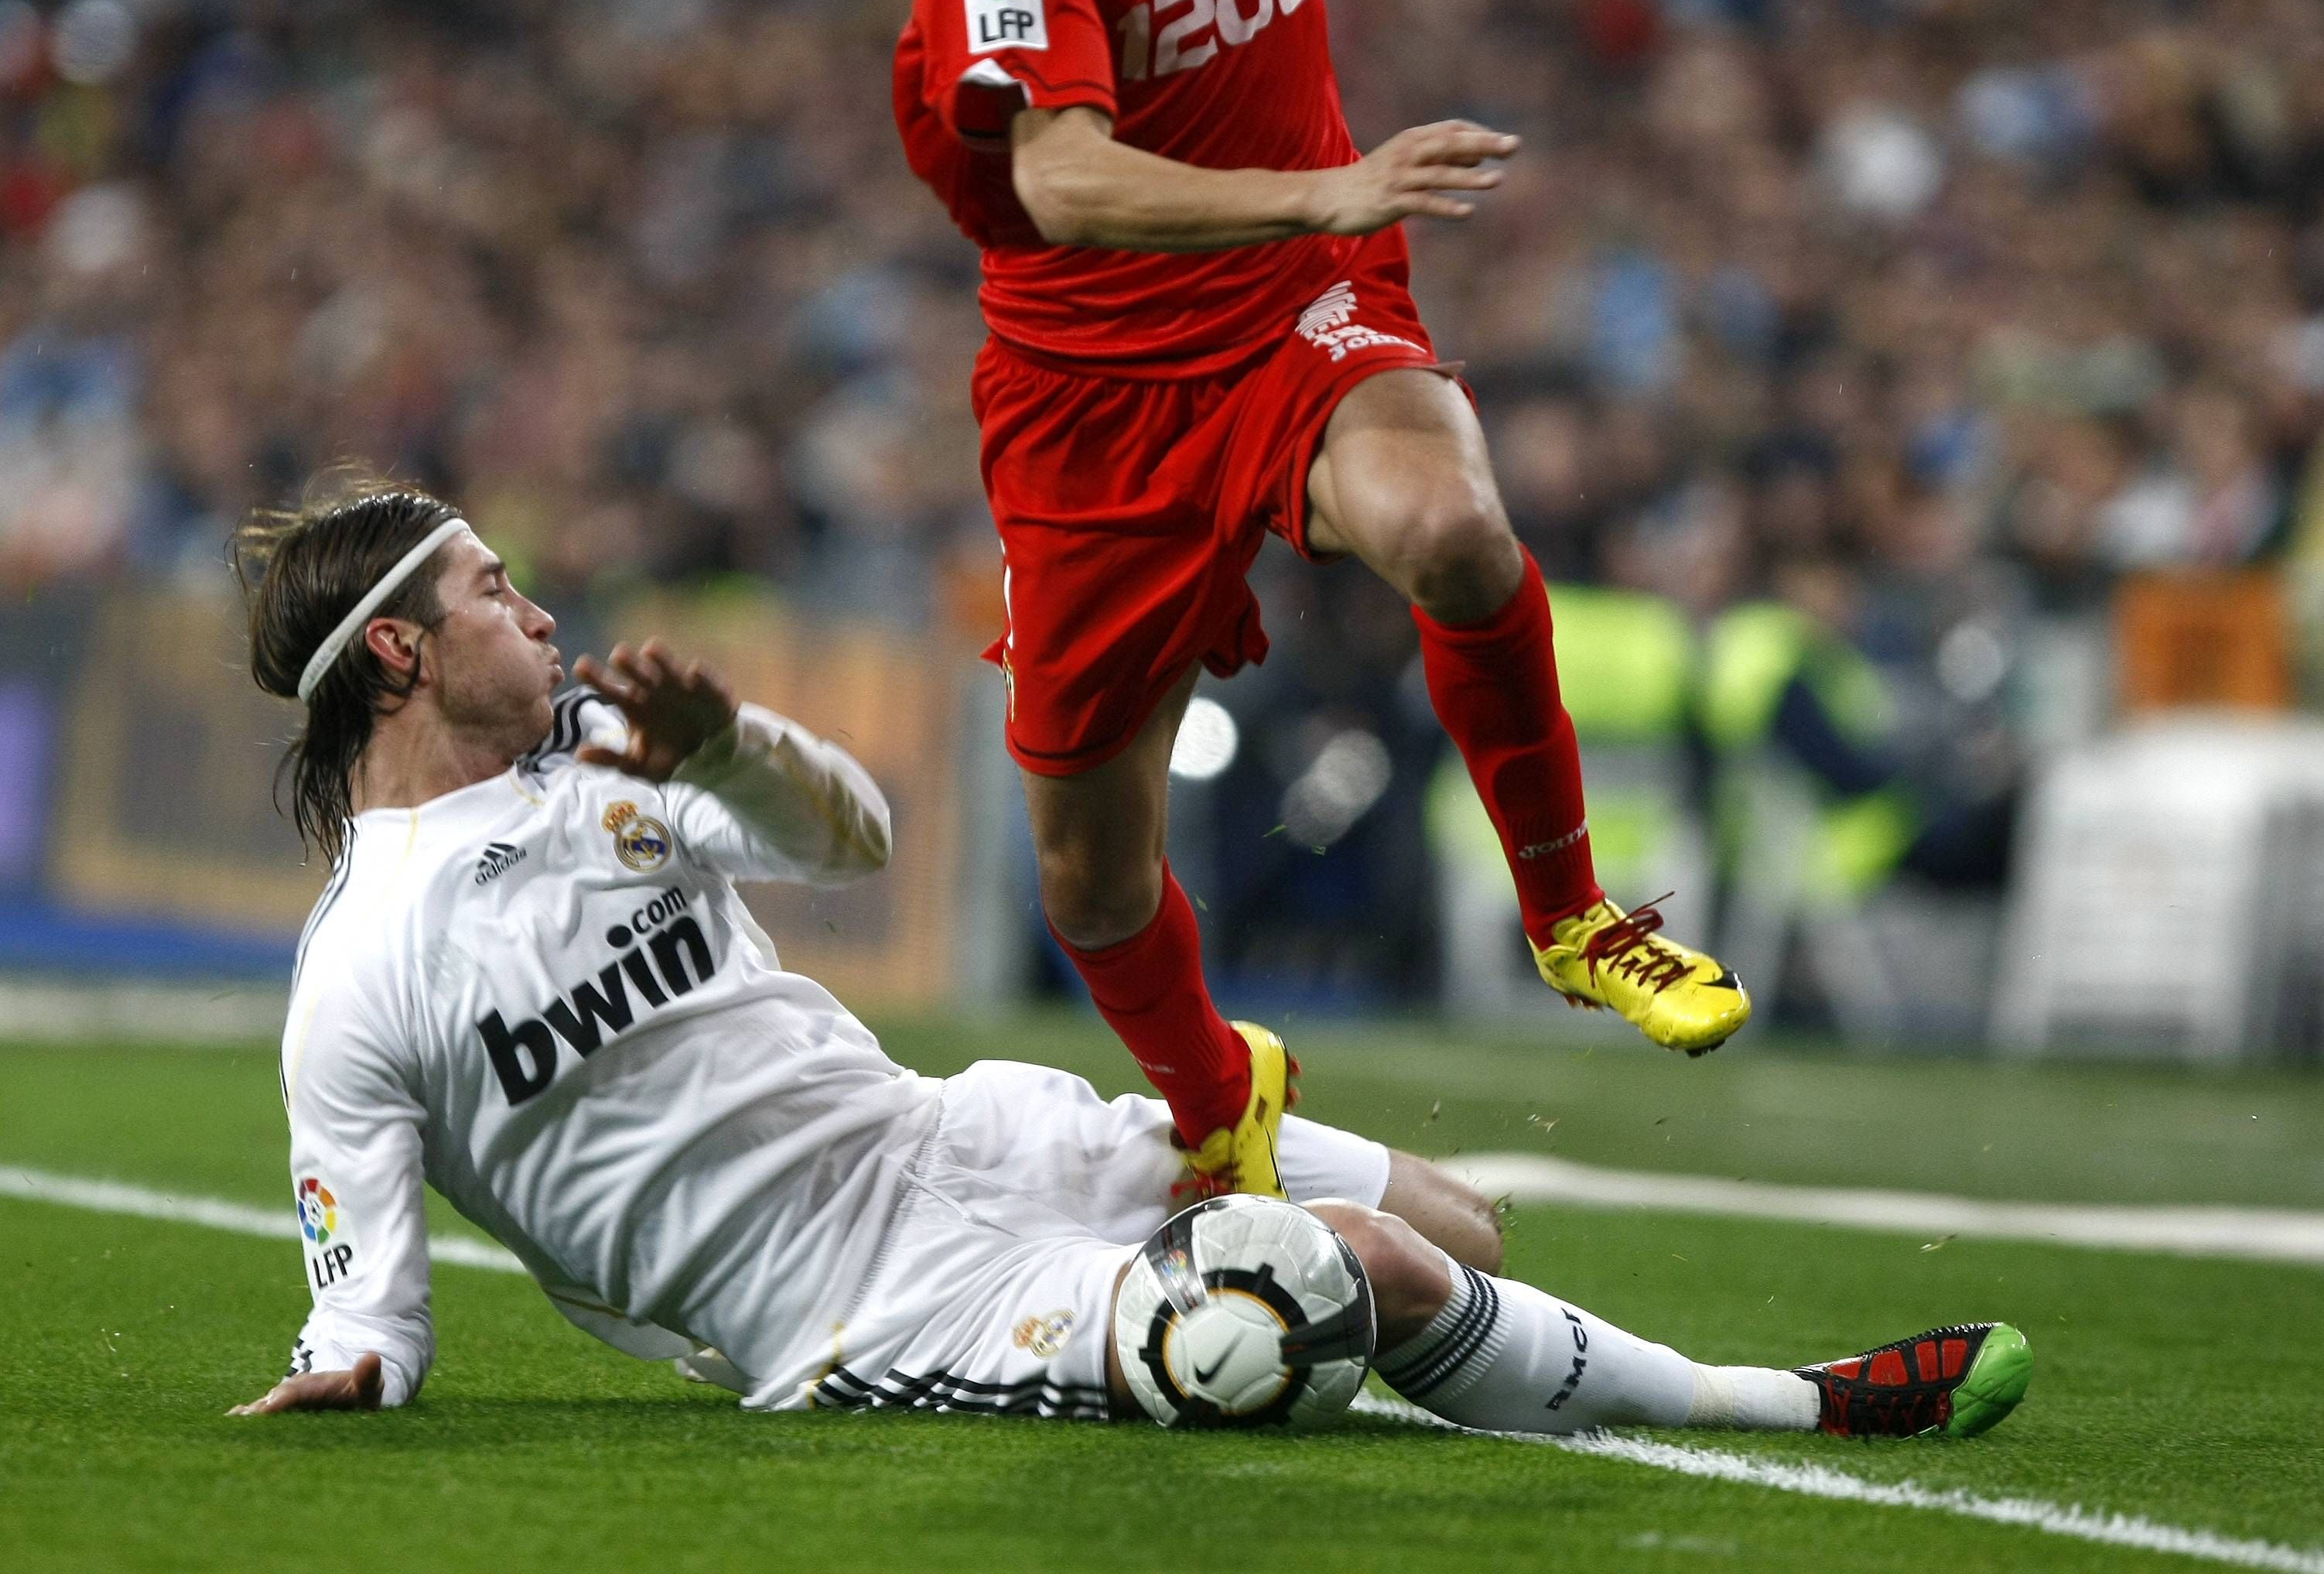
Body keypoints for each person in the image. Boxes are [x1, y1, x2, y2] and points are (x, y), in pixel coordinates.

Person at [226, 480, 2028, 1444]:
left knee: (1454, 1224)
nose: (534, 611)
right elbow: (365, 1297)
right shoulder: (362, 976)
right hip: (854, 1307)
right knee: (1357, 1275)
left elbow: (849, 839)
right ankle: (1796, 1406)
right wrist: (353, 1366)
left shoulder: (612, 774)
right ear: (394, 658)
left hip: (959, 1139)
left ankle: (1509, 1355)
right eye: (488, 593)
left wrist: (725, 752)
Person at [894, 0, 1748, 1196]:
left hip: (1297, 307)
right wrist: (1327, 191)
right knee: (1088, 878)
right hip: (1095, 391)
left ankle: (1571, 912)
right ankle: (1220, 1097)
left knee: (1448, 527)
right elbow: (1064, 177)